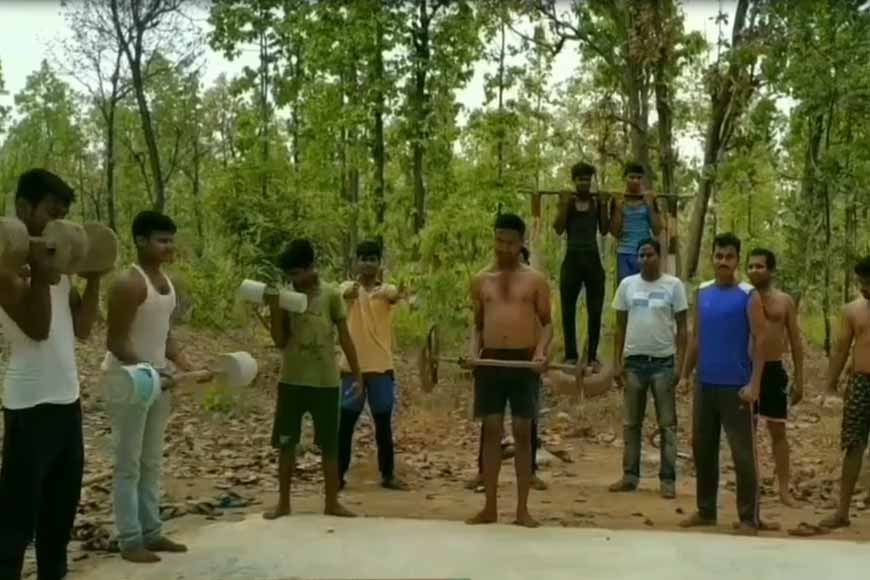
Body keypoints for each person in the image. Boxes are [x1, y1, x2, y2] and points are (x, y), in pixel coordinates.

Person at [0, 169, 107, 580]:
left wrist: (94, 277)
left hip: (67, 401)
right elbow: (38, 328)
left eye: (63, 215)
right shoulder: (7, 271)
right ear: (23, 208)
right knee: (16, 520)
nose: (57, 225)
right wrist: (41, 272)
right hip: (29, 406)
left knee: (58, 517)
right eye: (50, 212)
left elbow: (83, 328)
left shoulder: (59, 271)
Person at [102, 211, 207, 564]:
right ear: (140, 241)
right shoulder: (128, 284)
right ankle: (130, 539)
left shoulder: (167, 282)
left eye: (171, 240)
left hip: (157, 380)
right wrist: (151, 372)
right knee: (128, 462)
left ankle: (152, 531)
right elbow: (116, 341)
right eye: (162, 240)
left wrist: (189, 367)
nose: (169, 247)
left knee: (151, 460)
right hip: (127, 381)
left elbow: (165, 336)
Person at [263, 239, 363, 520]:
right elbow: (280, 341)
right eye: (289, 276)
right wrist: (275, 310)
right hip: (292, 380)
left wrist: (357, 373)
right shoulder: (287, 297)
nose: (293, 280)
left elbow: (345, 337)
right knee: (286, 443)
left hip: (326, 382)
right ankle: (283, 503)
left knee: (329, 444)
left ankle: (332, 503)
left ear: (311, 268)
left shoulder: (331, 295)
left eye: (296, 273)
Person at [678, 232, 768, 535]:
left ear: (737, 260)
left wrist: (755, 384)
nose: (723, 262)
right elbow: (696, 338)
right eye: (719, 256)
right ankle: (706, 511)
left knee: (742, 454)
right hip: (706, 383)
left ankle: (748, 517)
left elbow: (760, 339)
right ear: (712, 258)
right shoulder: (702, 292)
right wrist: (684, 375)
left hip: (737, 387)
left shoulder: (748, 295)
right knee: (702, 448)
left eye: (729, 257)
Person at [466, 213, 553, 528]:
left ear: (521, 244)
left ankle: (522, 510)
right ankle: (489, 507)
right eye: (499, 241)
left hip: (523, 362)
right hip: (490, 362)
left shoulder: (535, 281)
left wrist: (540, 352)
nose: (503, 248)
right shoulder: (480, 280)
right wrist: (473, 353)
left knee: (522, 431)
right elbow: (478, 325)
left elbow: (547, 325)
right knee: (490, 429)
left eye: (510, 243)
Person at [609, 238, 687, 499]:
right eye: (641, 255)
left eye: (649, 254)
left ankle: (668, 480)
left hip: (663, 363)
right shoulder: (627, 285)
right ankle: (630, 477)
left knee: (667, 424)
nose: (644, 259)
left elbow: (683, 329)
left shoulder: (673, 285)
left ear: (659, 256)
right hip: (634, 363)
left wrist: (680, 365)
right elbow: (619, 326)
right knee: (631, 423)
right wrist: (617, 362)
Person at [337, 240, 407, 491]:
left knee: (383, 423)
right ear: (356, 262)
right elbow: (346, 293)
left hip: (380, 367)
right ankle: (337, 475)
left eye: (372, 259)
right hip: (352, 368)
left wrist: (393, 292)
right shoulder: (347, 287)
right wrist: (360, 289)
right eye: (363, 259)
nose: (368, 264)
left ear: (379, 263)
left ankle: (387, 474)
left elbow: (394, 294)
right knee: (346, 424)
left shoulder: (386, 290)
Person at [746, 248, 804, 507]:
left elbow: (795, 341)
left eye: (759, 266)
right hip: (747, 370)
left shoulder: (784, 301)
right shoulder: (743, 298)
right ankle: (750, 488)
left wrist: (800, 378)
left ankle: (784, 490)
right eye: (750, 266)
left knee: (778, 430)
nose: (754, 270)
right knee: (746, 431)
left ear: (771, 270)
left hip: (773, 370)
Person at [818, 256, 870, 529]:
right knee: (853, 444)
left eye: (868, 281)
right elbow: (840, 350)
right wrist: (829, 385)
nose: (864, 287)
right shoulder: (852, 310)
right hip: (861, 382)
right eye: (862, 281)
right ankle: (842, 512)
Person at [553, 162, 608, 369]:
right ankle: (571, 355)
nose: (584, 183)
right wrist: (563, 204)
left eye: (587, 179)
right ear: (574, 181)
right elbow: (558, 228)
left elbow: (604, 230)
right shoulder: (568, 202)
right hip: (572, 259)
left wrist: (604, 204)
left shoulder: (595, 203)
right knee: (567, 309)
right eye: (580, 179)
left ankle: (592, 355)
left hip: (592, 259)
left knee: (595, 310)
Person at [609, 162, 663, 282]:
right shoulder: (618, 200)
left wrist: (650, 206)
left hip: (645, 253)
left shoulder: (649, 199)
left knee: (645, 287)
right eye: (632, 177)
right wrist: (618, 207)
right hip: (624, 253)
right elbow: (615, 232)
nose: (635, 181)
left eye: (639, 178)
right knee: (625, 288)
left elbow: (657, 230)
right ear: (625, 178)